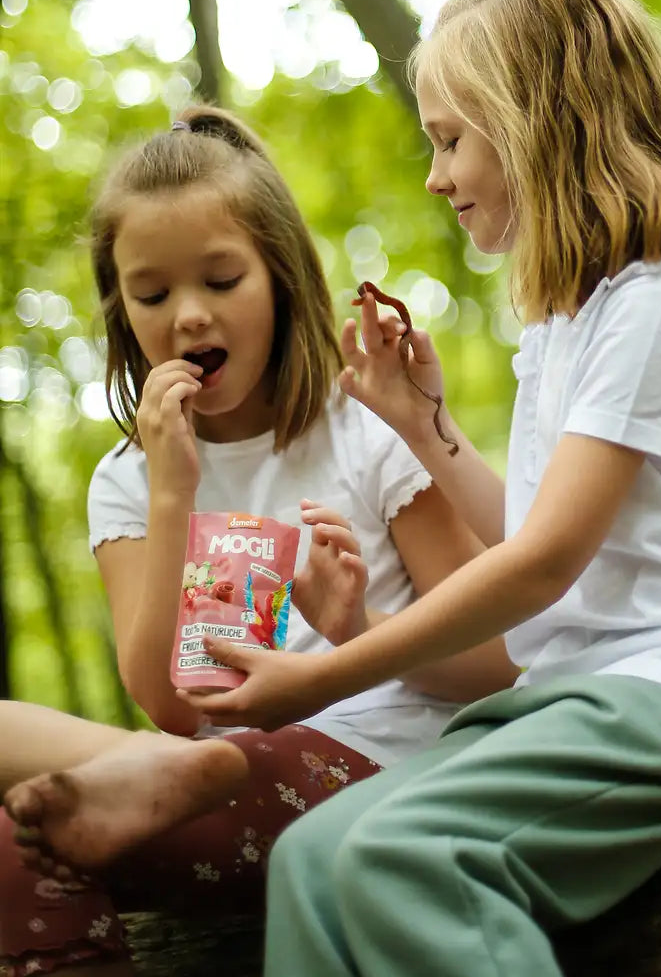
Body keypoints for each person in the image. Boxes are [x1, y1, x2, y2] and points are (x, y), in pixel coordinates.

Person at [0, 106, 517, 977]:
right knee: (13, 837)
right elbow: (169, 705)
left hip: (388, 768)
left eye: (222, 280)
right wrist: (174, 495)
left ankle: (207, 770)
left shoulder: (366, 430)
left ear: (278, 274)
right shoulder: (131, 478)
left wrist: (359, 628)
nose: (189, 318)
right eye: (153, 295)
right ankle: (197, 771)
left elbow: (503, 656)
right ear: (121, 308)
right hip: (207, 764)